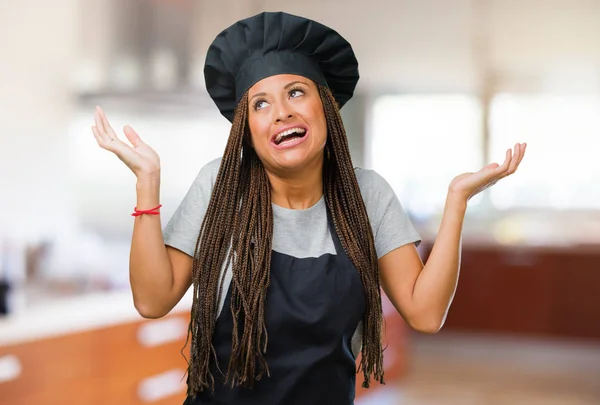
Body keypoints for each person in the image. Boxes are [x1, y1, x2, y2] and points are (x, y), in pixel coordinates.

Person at [91, 11, 526, 405]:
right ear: (248, 129)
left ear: (326, 106)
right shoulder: (221, 188)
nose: (280, 112)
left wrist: (457, 202)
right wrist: (147, 184)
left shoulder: (366, 195)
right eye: (260, 104)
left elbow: (426, 313)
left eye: (295, 92)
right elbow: (151, 300)